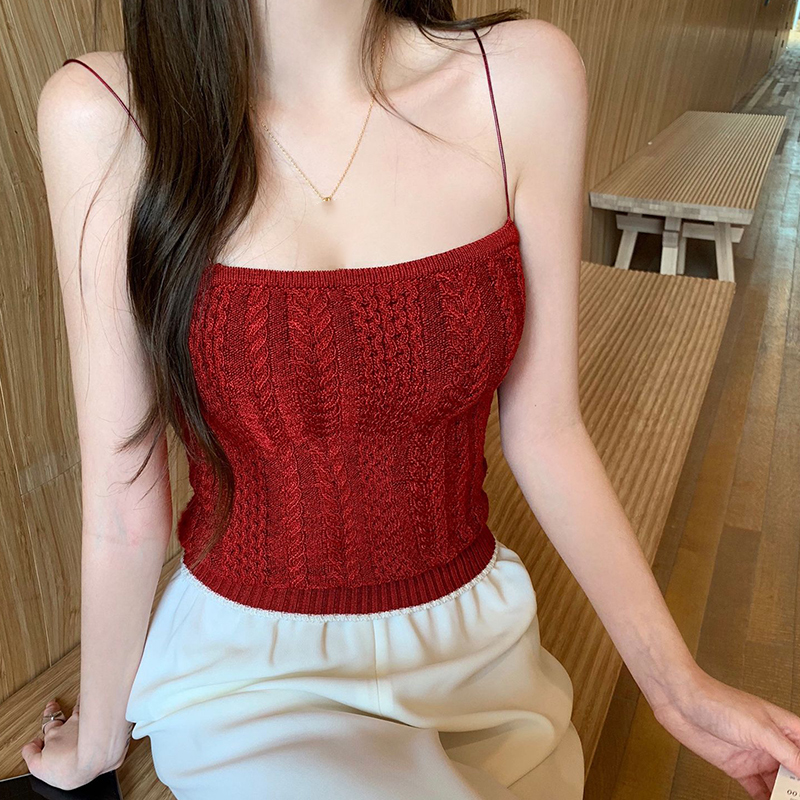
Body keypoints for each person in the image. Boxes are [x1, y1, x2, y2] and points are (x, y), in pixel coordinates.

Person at [24, 3, 800, 799]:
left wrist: (678, 686)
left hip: (479, 654)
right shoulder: (107, 116)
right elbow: (123, 501)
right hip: (245, 668)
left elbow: (547, 431)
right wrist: (99, 739)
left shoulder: (521, 81)